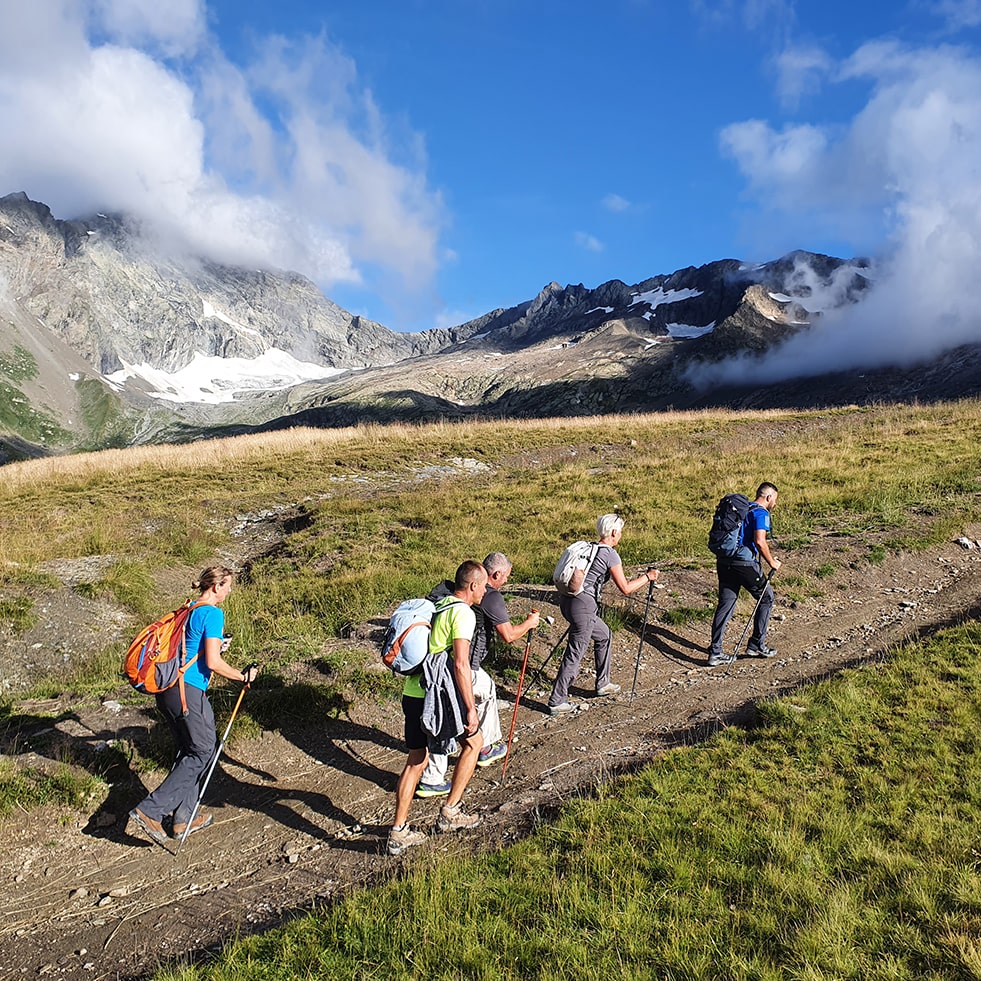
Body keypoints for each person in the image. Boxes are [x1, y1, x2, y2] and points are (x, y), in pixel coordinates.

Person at [129, 566, 259, 844]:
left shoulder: (188, 609)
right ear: (215, 587)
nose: (230, 591)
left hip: (168, 689)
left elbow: (197, 650)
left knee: (192, 749)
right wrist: (242, 676)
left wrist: (216, 648)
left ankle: (183, 818)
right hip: (188, 692)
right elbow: (212, 663)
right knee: (202, 750)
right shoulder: (213, 613)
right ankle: (151, 810)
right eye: (227, 586)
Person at [417, 552, 541, 796]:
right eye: (504, 577)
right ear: (493, 576)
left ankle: (479, 748)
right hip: (460, 668)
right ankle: (480, 750)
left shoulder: (448, 595)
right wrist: (529, 624)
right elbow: (508, 636)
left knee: (467, 703)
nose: (504, 582)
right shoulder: (483, 600)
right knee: (457, 714)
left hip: (434, 668)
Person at [387, 560, 488, 856]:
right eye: (482, 586)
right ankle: (451, 812)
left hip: (413, 692)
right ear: (471, 586)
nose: (485, 591)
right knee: (475, 742)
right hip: (439, 696)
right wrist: (470, 708)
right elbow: (460, 664)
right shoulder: (463, 614)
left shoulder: (439, 605)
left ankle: (398, 831)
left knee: (416, 759)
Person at [548, 514, 659, 715]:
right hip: (584, 606)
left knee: (604, 634)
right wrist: (647, 577)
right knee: (575, 651)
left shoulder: (589, 548)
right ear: (614, 532)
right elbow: (625, 588)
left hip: (567, 601)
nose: (621, 535)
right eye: (621, 532)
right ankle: (557, 700)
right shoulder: (610, 554)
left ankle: (603, 683)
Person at [706, 482, 782, 667]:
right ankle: (756, 644)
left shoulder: (742, 508)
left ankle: (715, 652)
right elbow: (760, 541)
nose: (775, 504)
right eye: (775, 500)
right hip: (744, 562)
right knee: (766, 597)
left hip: (725, 560)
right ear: (769, 497)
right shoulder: (761, 513)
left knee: (726, 603)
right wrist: (772, 562)